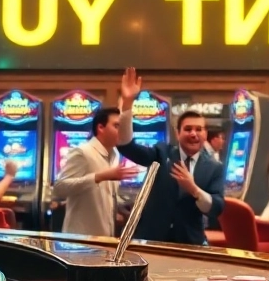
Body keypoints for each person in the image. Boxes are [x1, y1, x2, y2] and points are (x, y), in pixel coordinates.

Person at [117, 67, 224, 245]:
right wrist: (128, 104)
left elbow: (217, 208)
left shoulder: (214, 167)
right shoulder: (162, 153)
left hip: (190, 243)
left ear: (205, 134)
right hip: (152, 240)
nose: (193, 134)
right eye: (188, 129)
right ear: (177, 132)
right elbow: (126, 147)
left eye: (199, 129)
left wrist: (194, 190)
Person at [54, 107, 139, 237]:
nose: (121, 131)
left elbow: (104, 195)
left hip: (104, 238)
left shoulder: (115, 154)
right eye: (116, 126)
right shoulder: (83, 152)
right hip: (80, 240)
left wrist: (124, 207)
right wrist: (100, 177)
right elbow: (60, 188)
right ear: (101, 128)